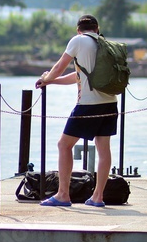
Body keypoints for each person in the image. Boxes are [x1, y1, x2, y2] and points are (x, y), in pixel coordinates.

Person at [34, 14, 118, 207]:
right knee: (103, 150)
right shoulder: (105, 44)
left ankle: (63, 194)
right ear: (97, 29)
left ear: (78, 30)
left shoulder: (78, 41)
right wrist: (53, 82)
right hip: (110, 103)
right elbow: (79, 76)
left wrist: (46, 78)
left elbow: (59, 66)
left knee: (64, 145)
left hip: (88, 105)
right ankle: (97, 197)